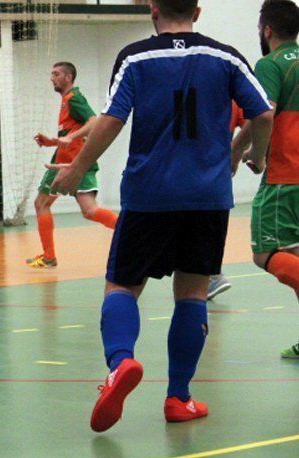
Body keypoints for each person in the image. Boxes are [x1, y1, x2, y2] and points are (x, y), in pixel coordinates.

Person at [49, 0, 273, 431]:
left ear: (152, 9)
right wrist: (251, 154)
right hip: (207, 197)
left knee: (122, 286)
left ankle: (121, 363)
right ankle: (179, 398)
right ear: (199, 10)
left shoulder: (135, 56)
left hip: (149, 195)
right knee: (191, 294)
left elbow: (112, 118)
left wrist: (77, 168)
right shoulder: (225, 56)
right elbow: (263, 112)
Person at [245, 0, 299, 359]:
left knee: (265, 253)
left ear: (266, 30)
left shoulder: (270, 64)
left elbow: (264, 115)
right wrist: (237, 149)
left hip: (285, 173)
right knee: (294, 253)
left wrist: (256, 155)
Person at [27, 62, 119, 269]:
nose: (52, 77)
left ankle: (129, 231)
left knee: (87, 210)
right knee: (42, 204)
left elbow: (94, 122)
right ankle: (49, 256)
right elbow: (69, 135)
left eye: (56, 74)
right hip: (62, 158)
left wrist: (71, 138)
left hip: (76, 161)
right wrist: (53, 141)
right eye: (52, 73)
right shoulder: (65, 101)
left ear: (68, 77)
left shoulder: (74, 98)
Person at [207, 101, 250, 300]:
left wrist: (237, 152)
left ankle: (211, 275)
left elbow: (261, 118)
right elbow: (252, 122)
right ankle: (212, 273)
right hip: (218, 178)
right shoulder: (232, 94)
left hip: (189, 173)